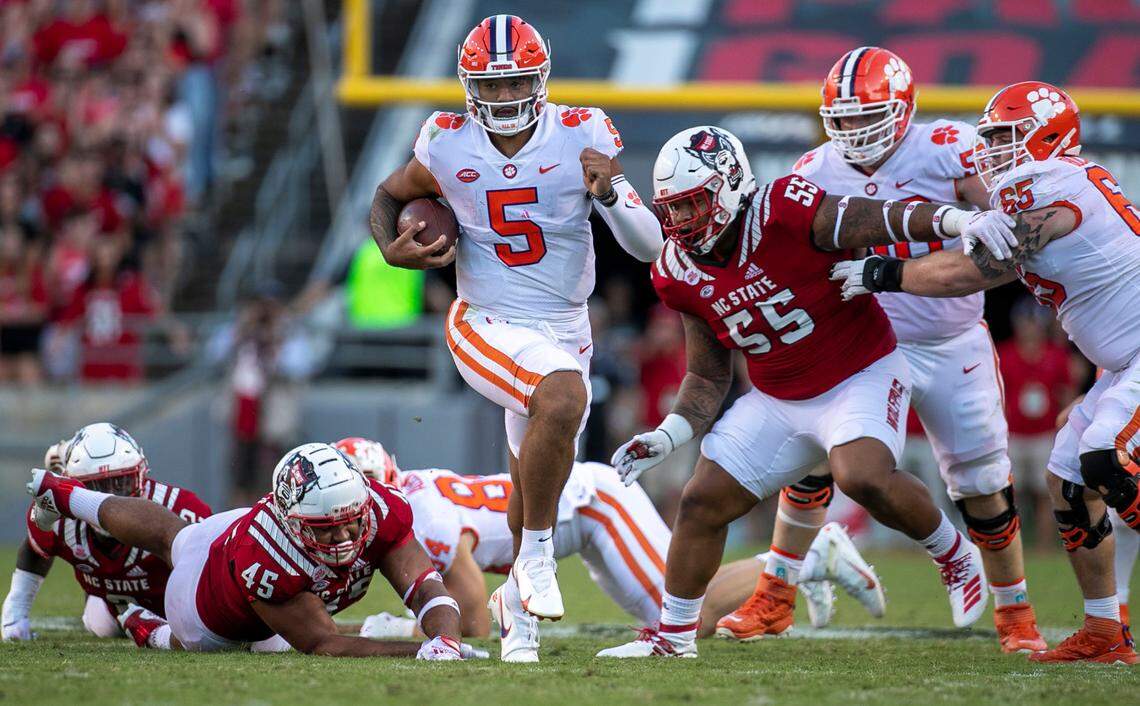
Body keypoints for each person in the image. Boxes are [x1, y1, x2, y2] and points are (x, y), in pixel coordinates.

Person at [597, 124, 1012, 659]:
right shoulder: (676, 269)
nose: (677, 222)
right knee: (700, 501)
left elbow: (882, 215)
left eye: (691, 204)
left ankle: (951, 551)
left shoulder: (784, 208)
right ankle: (674, 638)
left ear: (728, 185)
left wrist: (957, 218)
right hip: (778, 399)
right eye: (670, 208)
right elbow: (706, 375)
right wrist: (668, 435)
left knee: (860, 475)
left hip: (859, 372)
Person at [721, 47, 1044, 652]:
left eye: (863, 115)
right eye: (839, 118)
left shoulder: (950, 146)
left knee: (980, 484)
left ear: (904, 107)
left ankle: (1015, 613)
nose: (850, 131)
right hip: (863, 345)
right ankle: (775, 594)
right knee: (811, 461)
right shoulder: (814, 167)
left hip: (949, 339)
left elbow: (1010, 228)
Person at [368, 14, 663, 661]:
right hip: (485, 320)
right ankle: (535, 560)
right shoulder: (445, 142)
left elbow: (650, 245)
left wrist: (610, 194)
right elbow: (387, 196)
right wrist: (390, 249)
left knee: (533, 480)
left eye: (515, 84)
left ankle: (516, 617)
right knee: (561, 400)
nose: (502, 99)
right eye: (490, 87)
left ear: (541, 79)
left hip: (565, 323)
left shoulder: (583, 130)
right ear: (469, 86)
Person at [830, 81, 1140, 664]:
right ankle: (1105, 631)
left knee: (1105, 461)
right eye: (989, 137)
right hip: (1125, 361)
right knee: (1067, 480)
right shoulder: (1048, 184)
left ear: (1048, 136)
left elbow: (975, 272)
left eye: (1004, 137)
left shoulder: (1044, 182)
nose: (990, 150)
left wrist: (884, 273)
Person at [333, 438, 882, 657]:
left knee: (678, 616)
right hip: (577, 518)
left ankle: (811, 556)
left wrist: (399, 628)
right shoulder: (412, 493)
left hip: (592, 506)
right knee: (678, 614)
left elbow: (473, 619)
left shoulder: (419, 514)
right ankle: (797, 565)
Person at [26, 442, 472, 659]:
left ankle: (64, 496)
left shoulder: (380, 508)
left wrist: (444, 637)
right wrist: (417, 652)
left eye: (349, 524)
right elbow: (323, 642)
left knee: (175, 535)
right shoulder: (270, 556)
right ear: (291, 522)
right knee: (249, 641)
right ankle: (138, 621)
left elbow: (425, 586)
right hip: (198, 606)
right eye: (326, 531)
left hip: (233, 530)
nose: (343, 539)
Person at [2, 423, 210, 642]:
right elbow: (36, 549)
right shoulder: (56, 515)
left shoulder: (180, 508)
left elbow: (210, 573)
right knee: (100, 624)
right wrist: (16, 611)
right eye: (96, 486)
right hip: (111, 609)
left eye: (121, 482)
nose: (110, 497)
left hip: (181, 610)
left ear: (141, 475)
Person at [1000, 297, 1077, 548]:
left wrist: (1065, 432)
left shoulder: (1056, 355)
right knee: (1013, 494)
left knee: (1045, 494)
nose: (1030, 328)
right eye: (1025, 322)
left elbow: (1067, 393)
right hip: (1014, 435)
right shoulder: (1006, 353)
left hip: (1045, 434)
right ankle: (1016, 545)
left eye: (1034, 323)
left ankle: (1044, 546)